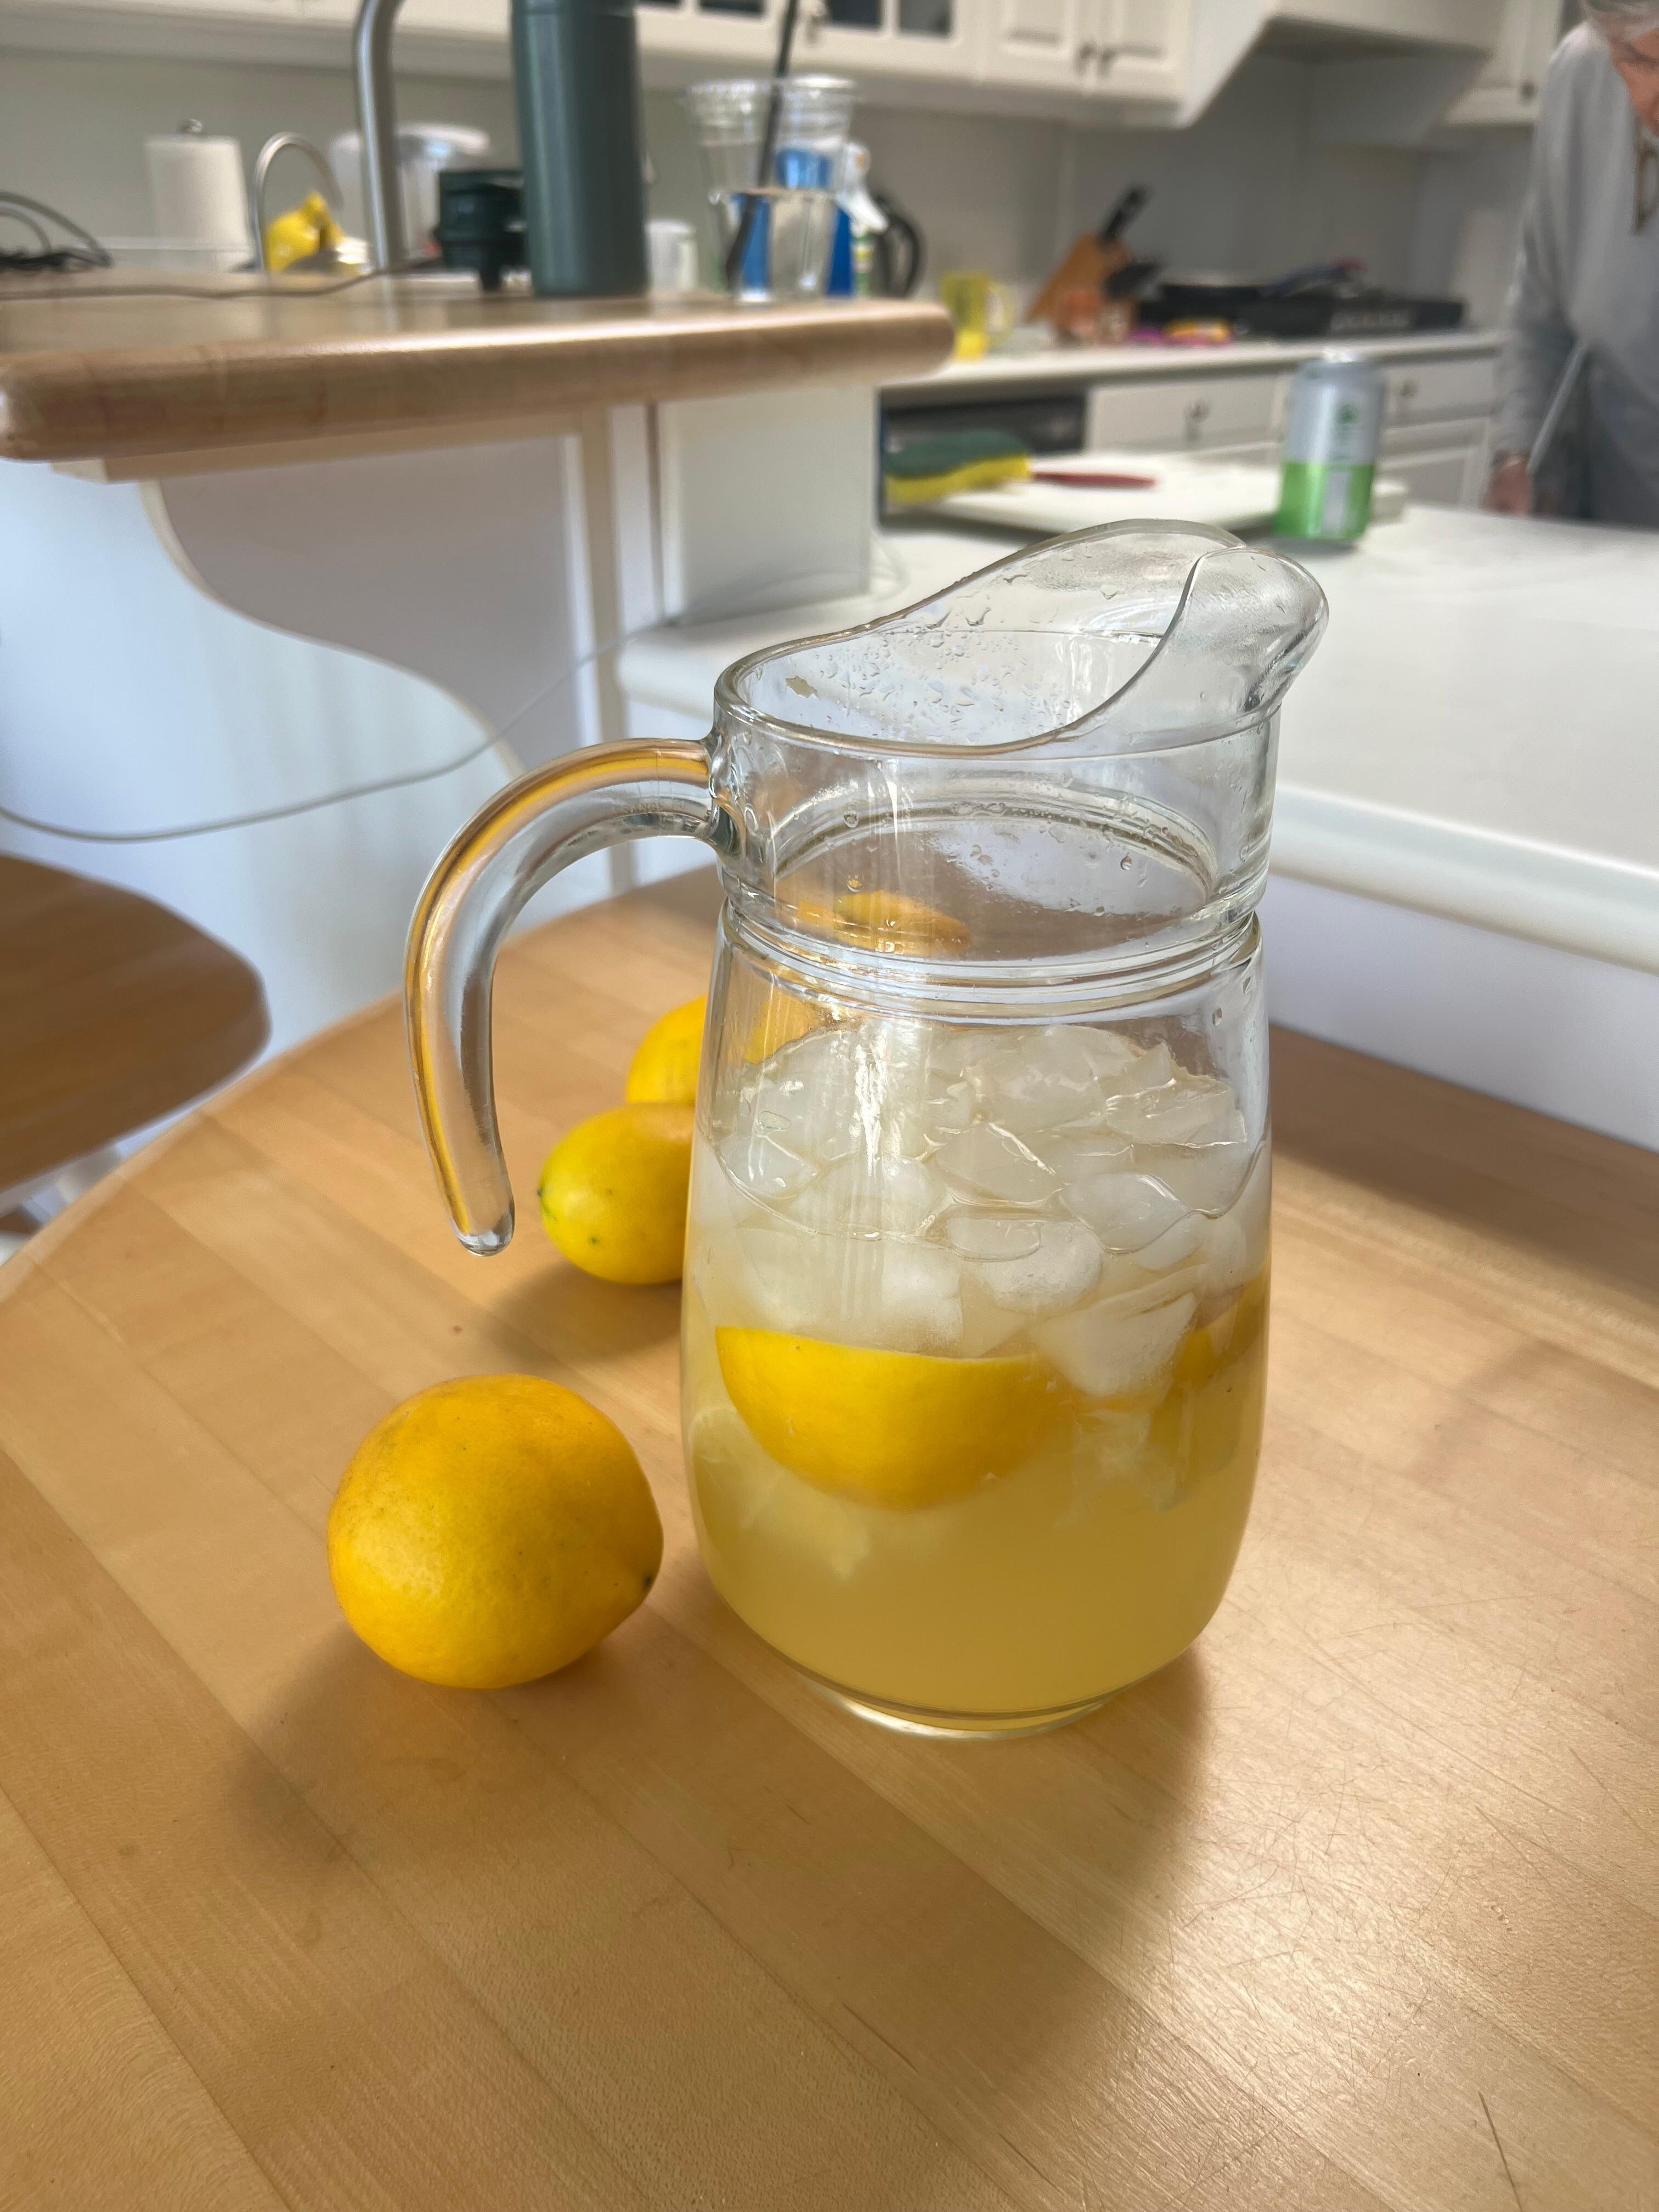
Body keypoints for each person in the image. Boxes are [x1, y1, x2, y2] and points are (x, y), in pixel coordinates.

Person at [1487, 2, 1659, 526]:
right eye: (1640, 61)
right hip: (1615, 509)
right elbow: (1542, 310)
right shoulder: (1582, 70)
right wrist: (1519, 454)